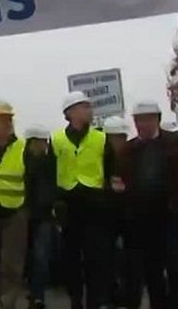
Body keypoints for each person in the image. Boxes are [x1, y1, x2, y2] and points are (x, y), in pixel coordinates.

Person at [48, 91, 115, 309]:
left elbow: (111, 170)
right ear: (71, 112)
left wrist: (108, 195)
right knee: (71, 259)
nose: (90, 110)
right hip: (68, 205)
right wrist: (55, 201)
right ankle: (76, 300)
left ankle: (96, 302)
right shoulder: (56, 139)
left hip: (95, 205)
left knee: (97, 258)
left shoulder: (101, 138)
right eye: (84, 106)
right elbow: (50, 172)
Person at [118, 101, 178, 309]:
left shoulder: (175, 143)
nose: (142, 124)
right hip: (141, 220)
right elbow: (121, 181)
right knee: (151, 271)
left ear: (157, 120)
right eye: (138, 120)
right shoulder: (128, 149)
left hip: (171, 217)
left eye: (147, 119)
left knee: (175, 267)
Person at [0, 100, 30, 309]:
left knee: (11, 263)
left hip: (15, 212)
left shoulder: (23, 148)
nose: (5, 123)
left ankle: (8, 301)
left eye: (7, 119)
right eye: (0, 120)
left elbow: (33, 179)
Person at [24, 125, 56, 309]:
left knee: (40, 256)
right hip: (23, 214)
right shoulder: (22, 162)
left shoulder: (50, 162)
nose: (43, 146)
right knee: (28, 256)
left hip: (43, 216)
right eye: (40, 142)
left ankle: (38, 296)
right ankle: (32, 290)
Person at [102, 116, 130, 308]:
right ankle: (111, 292)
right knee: (108, 256)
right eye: (114, 137)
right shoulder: (101, 159)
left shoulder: (131, 156)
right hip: (106, 215)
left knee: (125, 256)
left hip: (128, 215)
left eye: (121, 137)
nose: (117, 141)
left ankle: (125, 292)